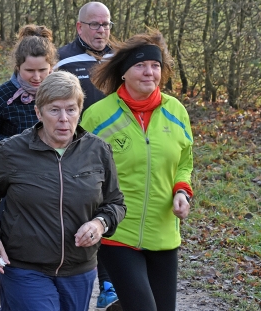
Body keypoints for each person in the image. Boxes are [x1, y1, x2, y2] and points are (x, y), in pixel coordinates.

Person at [0, 71, 126, 311]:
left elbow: (115, 202)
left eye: (71, 109)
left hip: (79, 269)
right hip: (24, 268)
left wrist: (100, 224)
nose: (63, 118)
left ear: (80, 111)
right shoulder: (12, 151)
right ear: (38, 112)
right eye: (54, 110)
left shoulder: (98, 151)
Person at [81, 30, 193, 311]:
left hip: (164, 233)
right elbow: (80, 168)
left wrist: (182, 190)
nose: (149, 72)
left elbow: (184, 161)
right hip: (118, 231)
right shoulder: (99, 115)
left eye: (155, 66)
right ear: (124, 72)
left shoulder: (176, 111)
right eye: (140, 65)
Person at [56, 1, 118, 308]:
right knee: (80, 213)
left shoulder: (119, 58)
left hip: (116, 150)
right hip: (74, 150)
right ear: (80, 27)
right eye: (95, 25)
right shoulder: (63, 60)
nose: (101, 30)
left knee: (107, 212)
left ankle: (108, 283)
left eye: (106, 24)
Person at [0, 25, 57, 154]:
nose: (36, 77)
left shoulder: (60, 94)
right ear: (18, 67)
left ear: (51, 67)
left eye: (42, 70)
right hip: (12, 169)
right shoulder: (2, 95)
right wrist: (16, 144)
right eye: (29, 70)